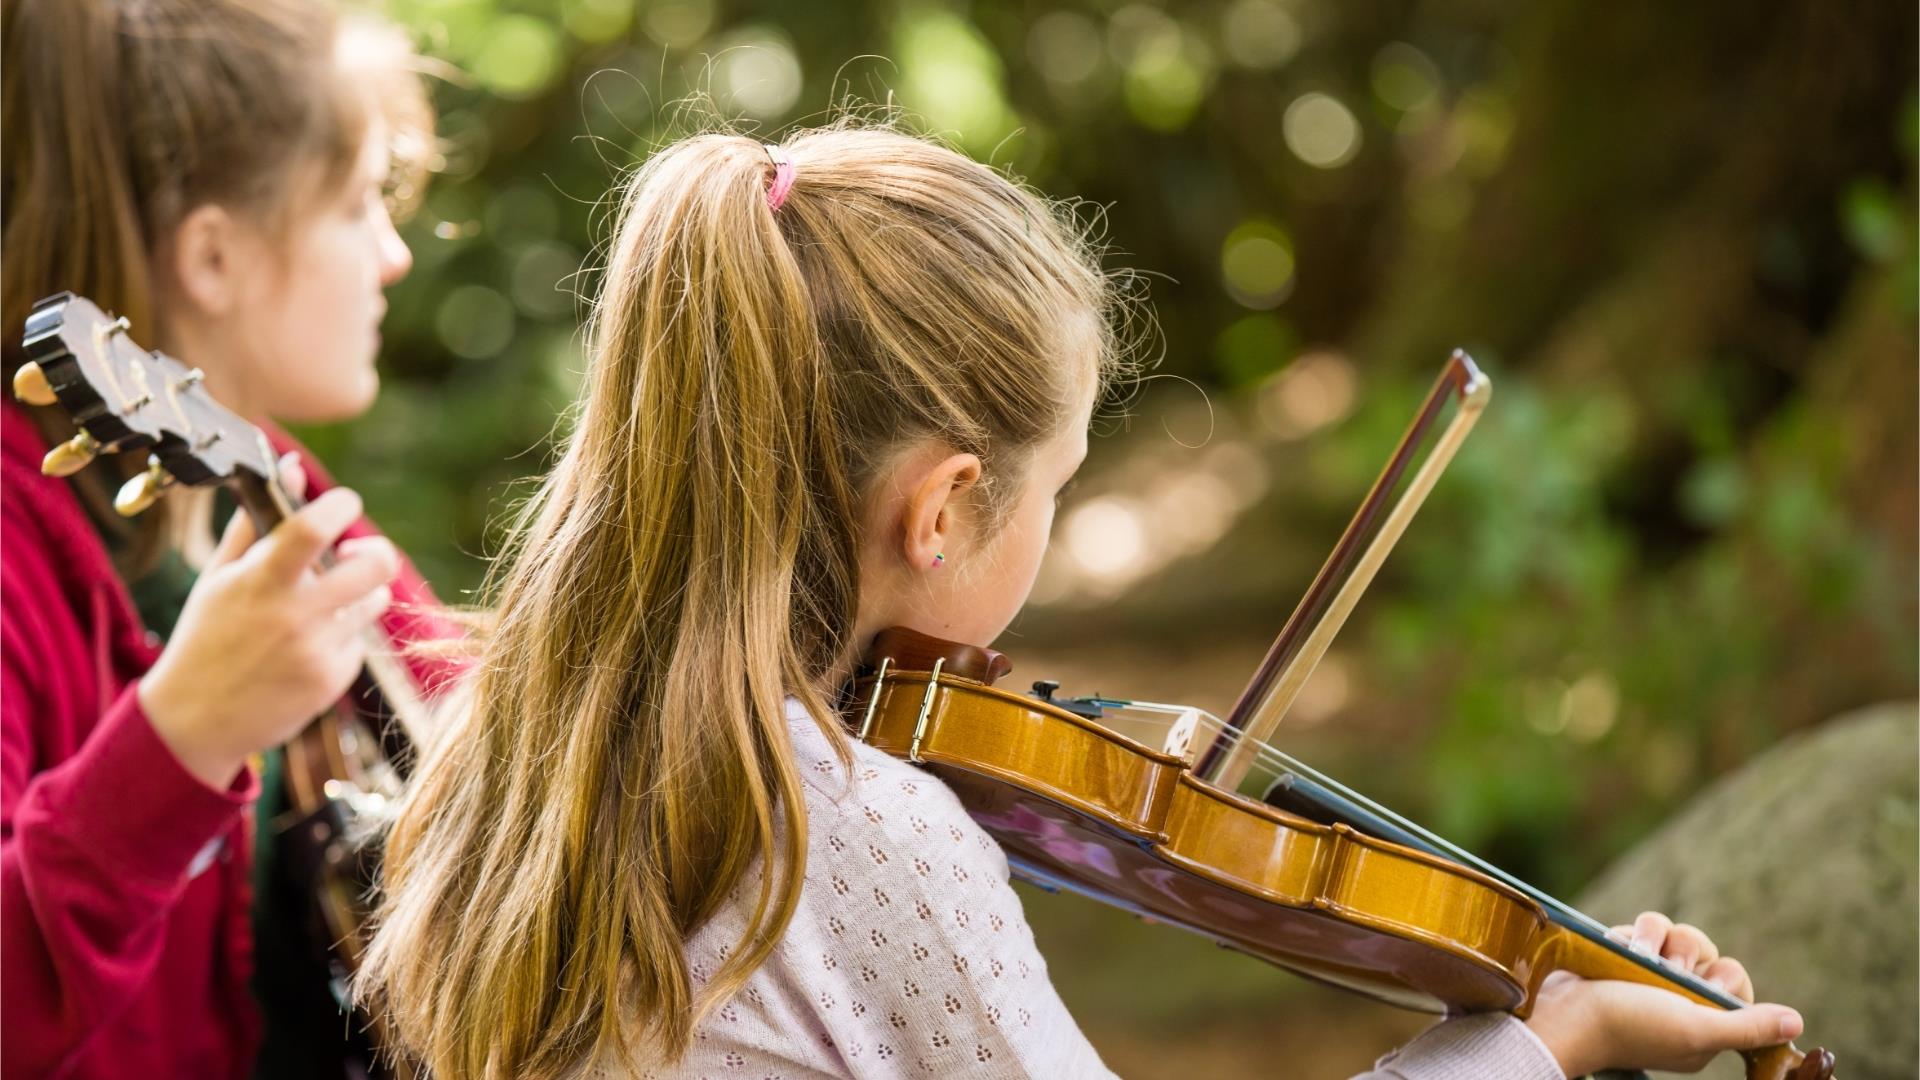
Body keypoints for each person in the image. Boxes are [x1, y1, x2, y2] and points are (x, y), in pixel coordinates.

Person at [356, 125, 1806, 1079]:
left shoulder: (528, 737)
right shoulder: (853, 833)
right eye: (1056, 486)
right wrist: (1544, 1046)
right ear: (942, 510)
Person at [0, 1, 462, 1076]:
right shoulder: (17, 551)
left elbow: (468, 722)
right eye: (357, 205)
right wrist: (181, 736)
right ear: (214, 255)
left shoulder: (275, 485)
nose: (395, 255)